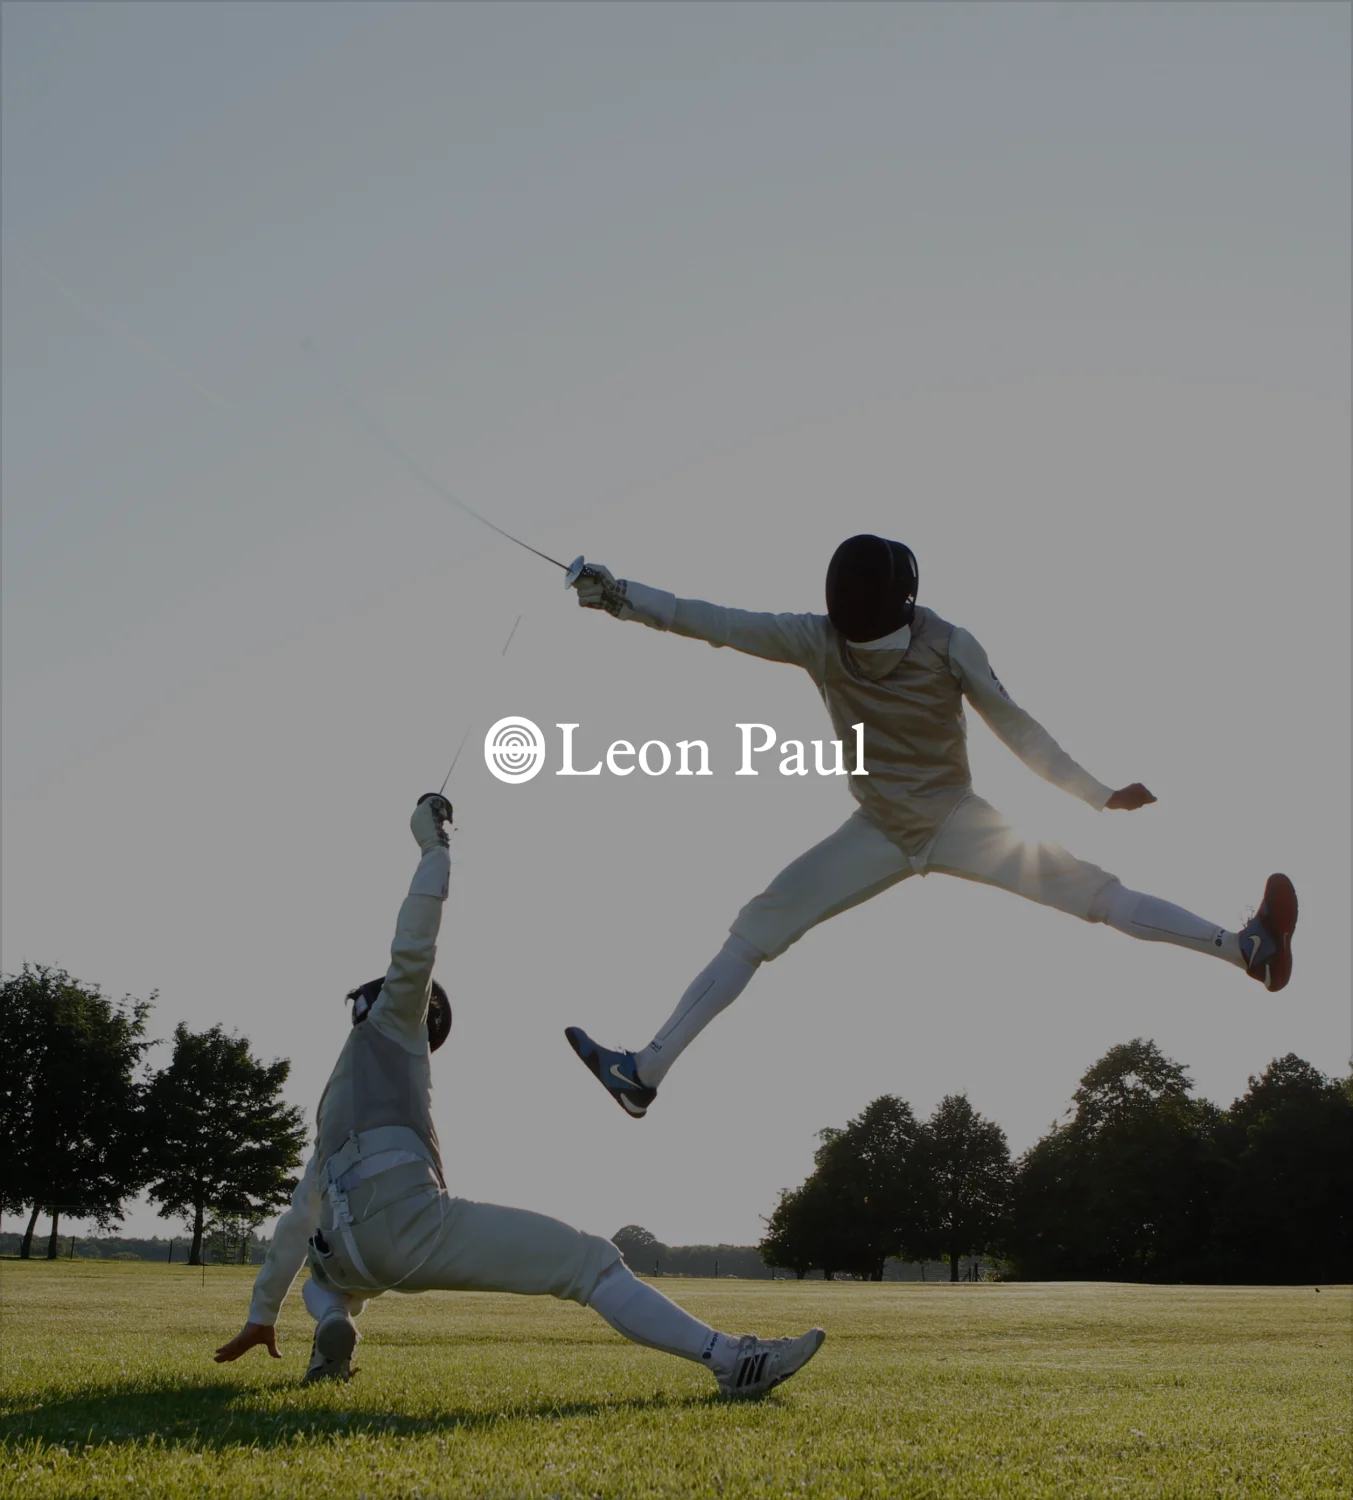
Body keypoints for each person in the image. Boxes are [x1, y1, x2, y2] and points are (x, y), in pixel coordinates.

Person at [563, 535, 1298, 1119]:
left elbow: (715, 623)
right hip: (952, 823)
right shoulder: (946, 640)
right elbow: (1019, 730)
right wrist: (1094, 794)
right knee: (1099, 897)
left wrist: (618, 597)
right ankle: (1243, 950)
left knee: (751, 935)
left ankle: (645, 1073)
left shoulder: (814, 638)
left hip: (881, 830)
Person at [214, 794, 824, 1395]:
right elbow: (414, 946)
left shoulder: (332, 1104)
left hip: (343, 1257)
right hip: (407, 1227)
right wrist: (433, 848)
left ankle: (332, 1322)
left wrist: (262, 1312)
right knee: (589, 1263)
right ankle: (730, 1360)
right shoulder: (394, 1024)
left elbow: (298, 1223)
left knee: (329, 1277)